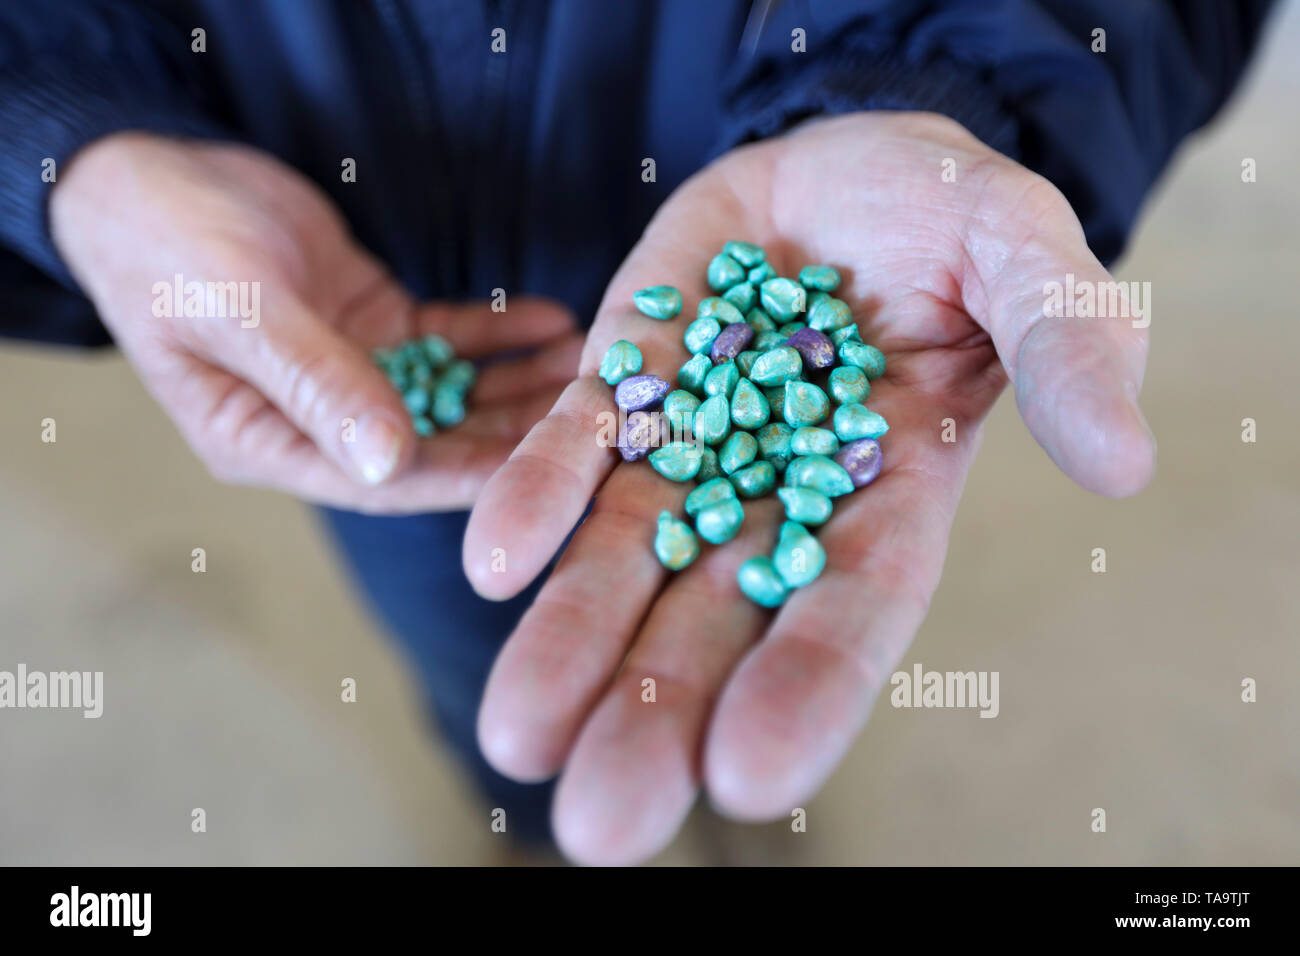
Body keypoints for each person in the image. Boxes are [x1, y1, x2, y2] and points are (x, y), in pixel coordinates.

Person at [0, 0, 1276, 864]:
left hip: (770, 136)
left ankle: (702, 788)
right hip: (362, 297)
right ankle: (537, 814)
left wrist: (941, 80)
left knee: (759, 633)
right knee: (475, 643)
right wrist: (67, 148)